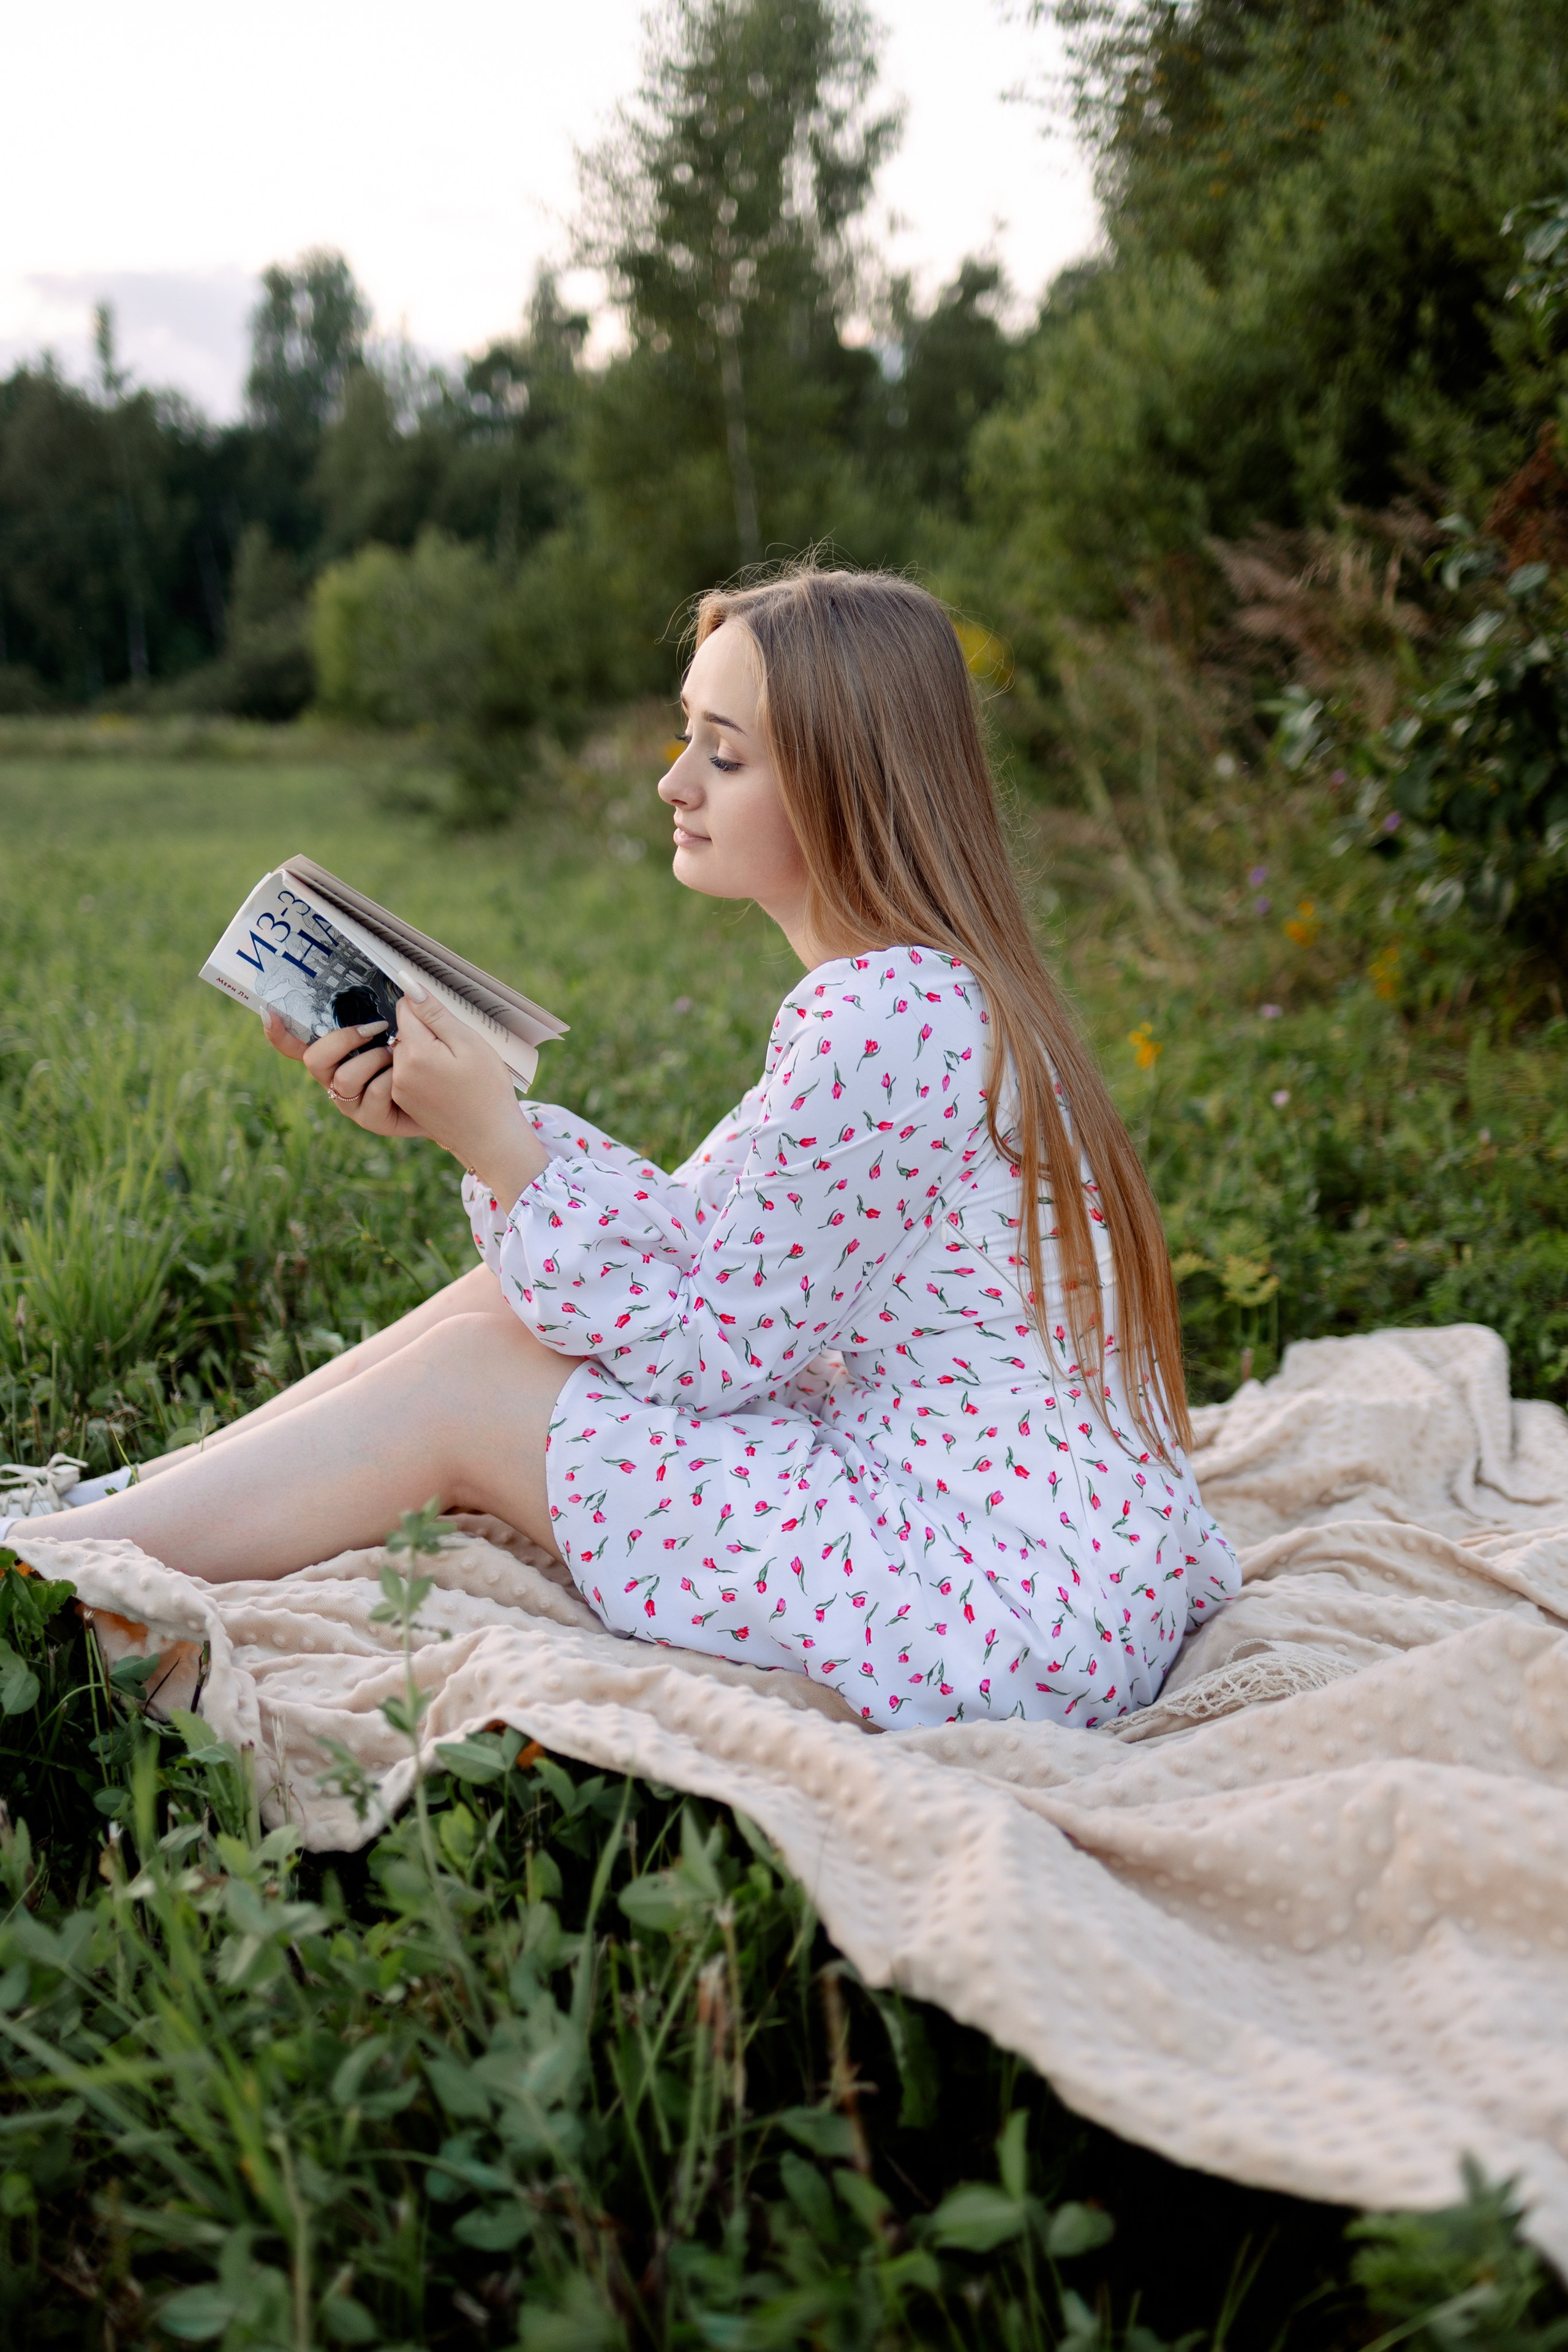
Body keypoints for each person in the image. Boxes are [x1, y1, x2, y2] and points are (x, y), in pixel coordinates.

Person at [8, 567, 1237, 1728]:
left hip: (996, 1607)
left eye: (724, 754)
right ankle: (121, 1507)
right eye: (684, 735)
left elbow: (711, 1351)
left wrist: (497, 1146)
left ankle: (35, 1572)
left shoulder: (881, 1018)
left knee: (468, 1382)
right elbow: (688, 1239)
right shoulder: (922, 991)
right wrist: (474, 1129)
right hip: (1060, 1565)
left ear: (846, 785)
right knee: (504, 1303)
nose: (672, 783)